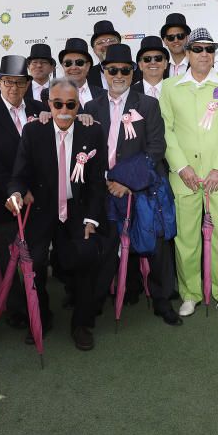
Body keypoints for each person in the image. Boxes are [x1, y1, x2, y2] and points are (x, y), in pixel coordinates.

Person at [6, 79, 108, 350]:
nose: (64, 110)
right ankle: (42, 317)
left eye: (71, 104)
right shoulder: (33, 131)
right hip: (42, 208)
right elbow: (19, 175)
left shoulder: (93, 132)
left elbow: (98, 183)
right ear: (49, 104)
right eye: (58, 103)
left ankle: (82, 323)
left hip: (79, 210)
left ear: (78, 106)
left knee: (86, 257)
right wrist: (16, 193)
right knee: (34, 263)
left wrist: (91, 219)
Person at [84, 44, 180, 325]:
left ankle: (163, 300)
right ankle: (101, 300)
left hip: (142, 187)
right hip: (105, 188)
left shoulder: (147, 104)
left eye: (125, 70)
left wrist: (126, 181)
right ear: (104, 72)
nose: (118, 75)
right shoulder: (91, 107)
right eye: (112, 70)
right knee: (106, 247)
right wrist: (107, 181)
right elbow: (87, 150)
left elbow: (155, 148)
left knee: (156, 245)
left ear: (132, 72)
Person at [159, 28, 218, 317]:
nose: (204, 54)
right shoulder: (170, 87)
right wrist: (181, 167)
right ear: (187, 52)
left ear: (215, 54)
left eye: (209, 49)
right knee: (186, 239)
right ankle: (190, 293)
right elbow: (165, 130)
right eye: (198, 49)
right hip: (185, 178)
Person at [0, 54, 45, 334]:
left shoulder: (41, 109)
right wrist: (16, 190)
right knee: (8, 259)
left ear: (28, 84)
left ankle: (40, 307)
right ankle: (17, 309)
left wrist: (34, 190)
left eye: (19, 83)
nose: (13, 88)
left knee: (37, 257)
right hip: (6, 201)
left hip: (37, 201)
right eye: (7, 82)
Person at [44, 38, 106, 106]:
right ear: (63, 66)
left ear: (88, 66)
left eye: (79, 63)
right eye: (68, 63)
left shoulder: (104, 94)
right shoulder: (51, 94)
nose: (73, 68)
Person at [89, 20, 122, 89]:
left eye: (111, 41)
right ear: (94, 50)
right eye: (100, 42)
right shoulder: (87, 75)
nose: (107, 45)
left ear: (120, 45)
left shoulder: (137, 71)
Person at [161, 12, 191, 78]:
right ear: (165, 41)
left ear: (187, 38)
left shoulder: (197, 65)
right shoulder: (161, 69)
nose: (176, 40)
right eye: (171, 37)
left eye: (180, 36)